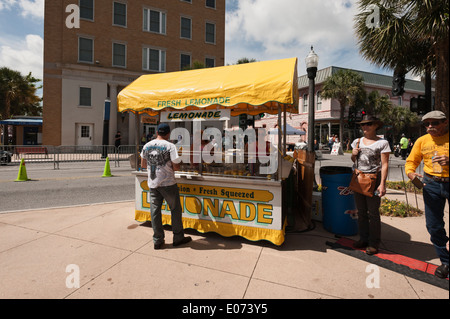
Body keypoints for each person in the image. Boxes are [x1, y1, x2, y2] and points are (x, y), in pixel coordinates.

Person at [405, 110, 449, 279]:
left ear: (445, 122)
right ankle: (446, 262)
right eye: (427, 124)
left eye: (435, 123)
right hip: (431, 184)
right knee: (434, 226)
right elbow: (411, 162)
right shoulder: (422, 141)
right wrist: (411, 173)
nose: (430, 127)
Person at [140, 123, 192, 250]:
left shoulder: (147, 145)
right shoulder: (170, 146)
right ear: (168, 134)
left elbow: (142, 164)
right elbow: (176, 166)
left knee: (155, 212)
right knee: (175, 210)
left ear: (157, 132)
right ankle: (178, 237)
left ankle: (158, 240)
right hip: (168, 183)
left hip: (153, 184)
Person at [351, 115, 391, 255]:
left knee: (373, 213)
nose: (365, 127)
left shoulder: (383, 143)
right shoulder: (357, 141)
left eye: (368, 124)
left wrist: (382, 184)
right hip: (359, 178)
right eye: (363, 125)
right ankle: (363, 239)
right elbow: (353, 159)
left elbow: (385, 165)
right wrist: (353, 153)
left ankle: (374, 243)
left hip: (374, 179)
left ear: (375, 125)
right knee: (361, 212)